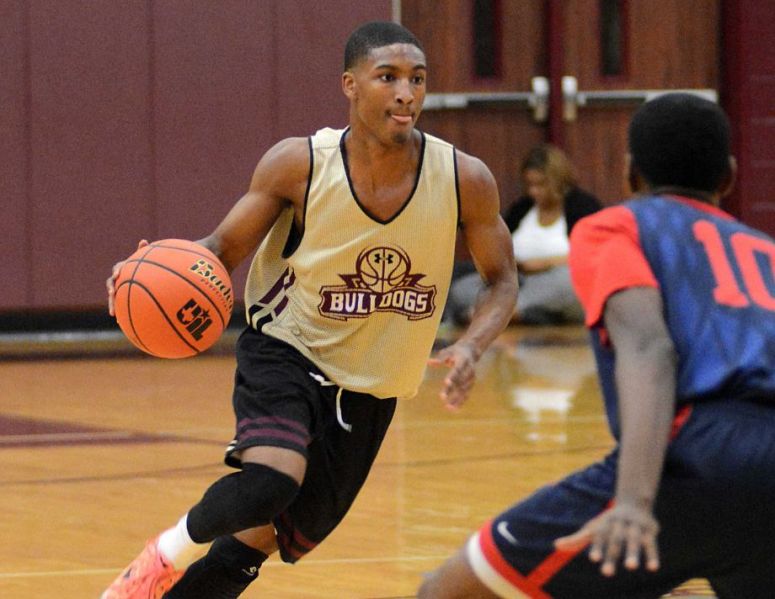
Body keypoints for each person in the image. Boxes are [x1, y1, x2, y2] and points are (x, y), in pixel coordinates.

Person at [101, 21, 517, 599]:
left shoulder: (465, 179)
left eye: (417, 80)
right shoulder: (300, 164)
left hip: (373, 384)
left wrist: (472, 344)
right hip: (287, 346)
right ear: (350, 84)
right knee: (272, 478)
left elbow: (502, 280)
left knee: (264, 536)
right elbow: (221, 250)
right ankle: (159, 559)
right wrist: (144, 271)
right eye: (388, 77)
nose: (406, 93)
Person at [418, 92, 775, 598]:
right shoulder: (767, 251)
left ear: (630, 175)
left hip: (697, 453)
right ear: (728, 178)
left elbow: (649, 348)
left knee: (447, 591)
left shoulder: (615, 226)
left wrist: (632, 500)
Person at [446, 144, 600, 326]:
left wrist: (545, 263)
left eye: (541, 184)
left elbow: (595, 255)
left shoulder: (584, 207)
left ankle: (507, 312)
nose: (534, 191)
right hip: (518, 279)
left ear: (558, 181)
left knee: (569, 283)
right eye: (530, 185)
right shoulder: (521, 209)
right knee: (461, 289)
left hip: (555, 279)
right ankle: (530, 315)